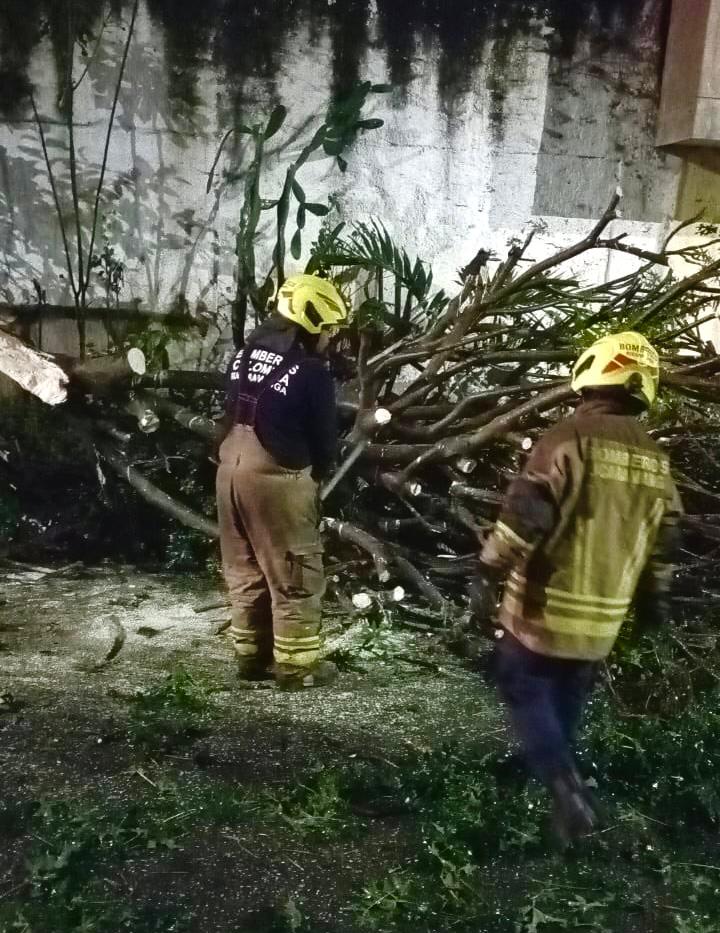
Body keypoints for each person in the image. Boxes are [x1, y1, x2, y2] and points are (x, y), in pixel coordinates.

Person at [470, 331, 682, 846]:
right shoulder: (656, 458)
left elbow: (527, 513)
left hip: (545, 606)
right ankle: (555, 770)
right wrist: (656, 601)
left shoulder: (567, 437)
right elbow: (665, 538)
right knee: (567, 690)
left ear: (592, 375)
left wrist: (488, 565)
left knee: (522, 683)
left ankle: (563, 787)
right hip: (603, 618)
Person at [215, 274, 347, 690]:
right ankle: (297, 668)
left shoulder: (243, 355)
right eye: (328, 329)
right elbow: (325, 441)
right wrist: (319, 477)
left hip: (229, 472)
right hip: (276, 480)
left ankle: (250, 658)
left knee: (246, 569)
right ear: (311, 324)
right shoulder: (311, 373)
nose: (331, 338)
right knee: (295, 573)